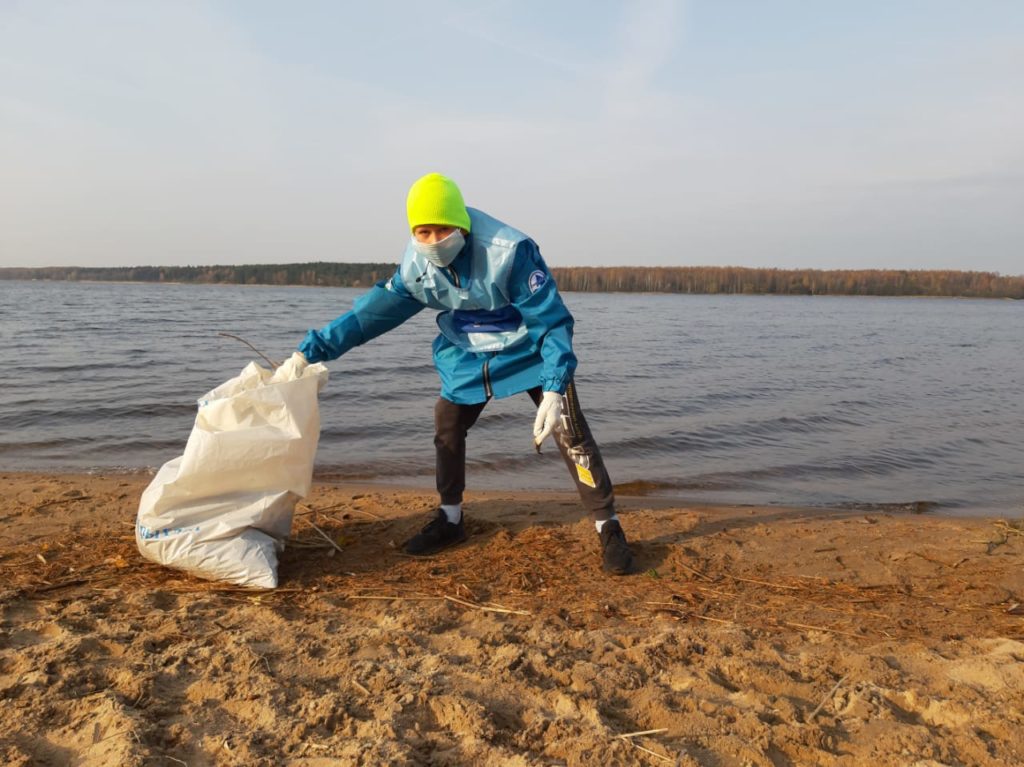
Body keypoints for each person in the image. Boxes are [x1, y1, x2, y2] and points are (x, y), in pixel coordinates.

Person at [298, 173, 634, 574]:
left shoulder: (510, 252)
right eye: (423, 231)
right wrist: (310, 353)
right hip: (471, 350)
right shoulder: (417, 266)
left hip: (530, 346)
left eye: (442, 228)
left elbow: (552, 321)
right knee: (447, 422)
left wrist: (555, 387)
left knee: (570, 431)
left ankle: (607, 524)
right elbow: (370, 315)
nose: (433, 240)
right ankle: (450, 518)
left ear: (462, 224)